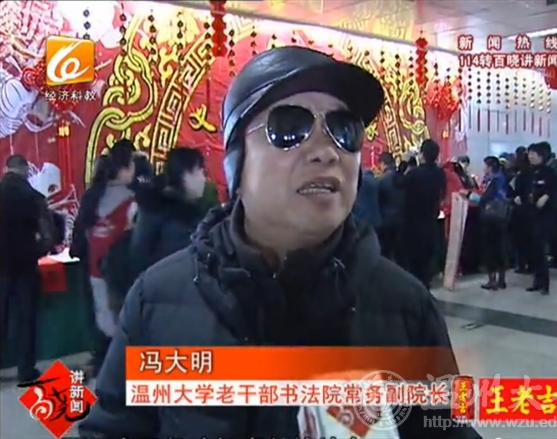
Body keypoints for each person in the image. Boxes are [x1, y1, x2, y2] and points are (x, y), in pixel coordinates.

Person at [80, 46, 480, 439]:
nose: (326, 152)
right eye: (290, 128)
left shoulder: (407, 307)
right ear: (236, 163)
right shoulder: (156, 299)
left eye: (344, 131)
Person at [78, 140, 136, 376]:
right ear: (123, 169)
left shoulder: (94, 196)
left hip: (95, 265)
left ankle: (105, 367)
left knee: (104, 317)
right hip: (122, 270)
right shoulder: (131, 200)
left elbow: (84, 231)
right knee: (125, 319)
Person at [0, 155, 54, 382]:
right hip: (25, 267)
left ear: (6, 169)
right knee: (26, 319)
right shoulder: (34, 197)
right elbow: (49, 236)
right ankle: (25, 371)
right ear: (25, 170)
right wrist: (34, 251)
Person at [130, 147, 210, 275]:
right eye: (200, 172)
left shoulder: (151, 204)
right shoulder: (180, 222)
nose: (204, 179)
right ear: (185, 175)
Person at [399, 139, 446, 288]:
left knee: (413, 264)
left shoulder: (415, 174)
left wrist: (404, 163)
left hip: (412, 224)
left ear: (422, 154)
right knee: (426, 264)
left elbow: (398, 183)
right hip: (431, 221)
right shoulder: (440, 174)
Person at [461, 157, 508, 290]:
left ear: (490, 167)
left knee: (490, 249)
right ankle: (501, 279)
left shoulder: (493, 181)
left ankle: (492, 280)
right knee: (500, 248)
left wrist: (469, 195)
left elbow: (484, 199)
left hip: (491, 218)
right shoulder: (502, 179)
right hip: (501, 217)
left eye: (485, 166)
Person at [525, 143, 557, 294]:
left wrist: (546, 196)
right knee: (533, 249)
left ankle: (545, 283)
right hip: (532, 214)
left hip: (545, 216)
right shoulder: (531, 172)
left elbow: (555, 191)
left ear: (541, 155)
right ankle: (537, 281)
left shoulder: (550, 173)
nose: (530, 156)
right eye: (529, 154)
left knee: (541, 249)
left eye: (533, 154)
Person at [377, 152, 403, 259]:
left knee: (386, 253)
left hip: (386, 221)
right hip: (401, 219)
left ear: (383, 164)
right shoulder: (402, 177)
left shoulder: (381, 180)